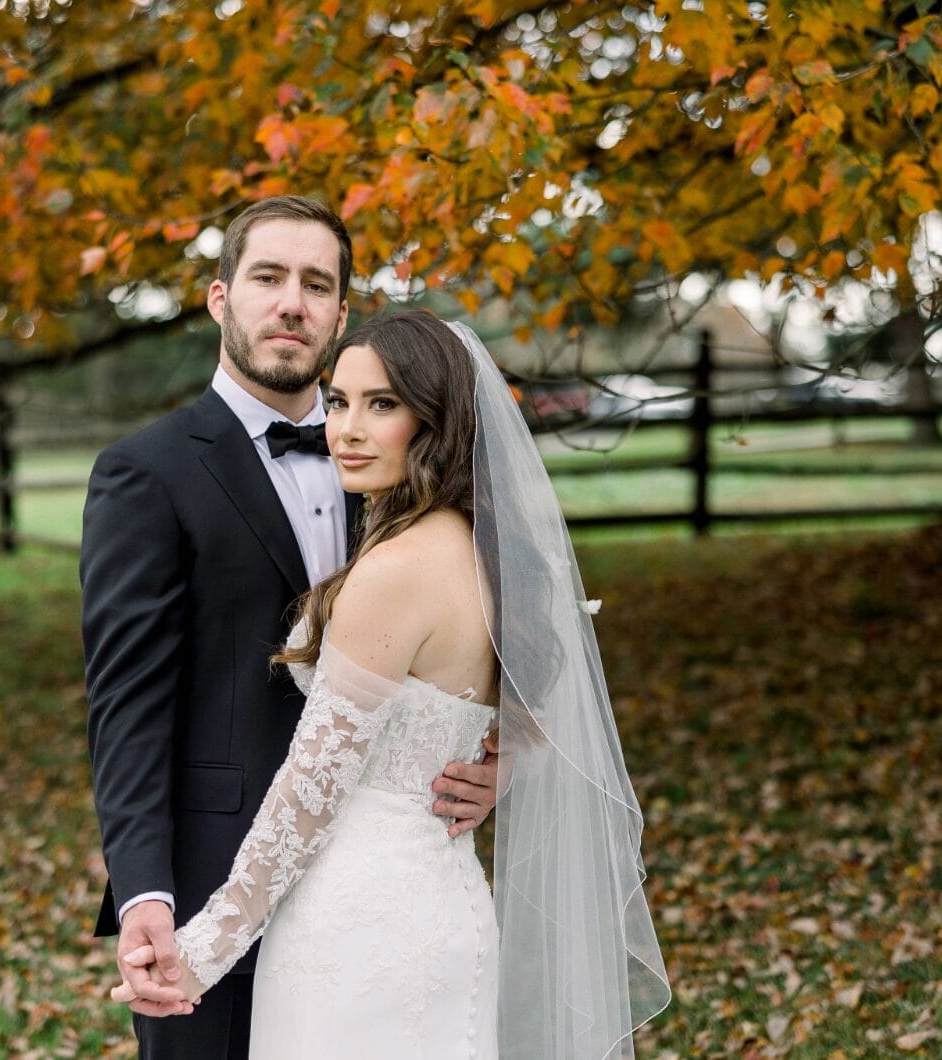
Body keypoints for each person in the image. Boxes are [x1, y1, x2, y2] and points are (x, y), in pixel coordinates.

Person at [110, 310, 671, 1057]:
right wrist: (513, 764)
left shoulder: (394, 572)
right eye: (338, 401)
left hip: (356, 925)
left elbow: (310, 792)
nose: (345, 428)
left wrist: (201, 953)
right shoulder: (490, 557)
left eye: (383, 405)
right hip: (447, 904)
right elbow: (536, 711)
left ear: (435, 421)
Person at [79, 197, 501, 1060]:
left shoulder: (399, 478)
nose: (291, 303)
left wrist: (502, 761)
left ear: (344, 313)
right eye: (267, 277)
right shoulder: (144, 474)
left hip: (373, 892)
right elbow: (126, 708)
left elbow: (521, 655)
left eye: (317, 284)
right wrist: (146, 893)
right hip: (210, 879)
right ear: (219, 297)